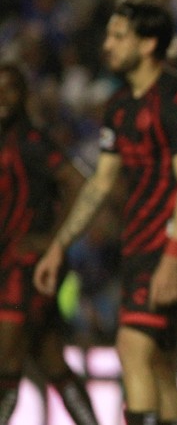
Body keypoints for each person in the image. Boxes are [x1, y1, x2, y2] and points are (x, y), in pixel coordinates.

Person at [34, 0, 177, 425]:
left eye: (118, 36)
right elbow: (101, 182)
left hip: (174, 240)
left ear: (148, 44)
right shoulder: (119, 106)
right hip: (140, 239)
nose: (107, 45)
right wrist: (59, 245)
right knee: (157, 361)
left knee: (132, 345)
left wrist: (172, 257)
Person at [0, 63, 99, 425]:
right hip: (8, 264)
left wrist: (54, 239)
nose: (2, 96)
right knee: (51, 360)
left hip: (27, 265)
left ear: (23, 95)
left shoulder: (32, 141)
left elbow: (78, 183)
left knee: (5, 361)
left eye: (10, 88)